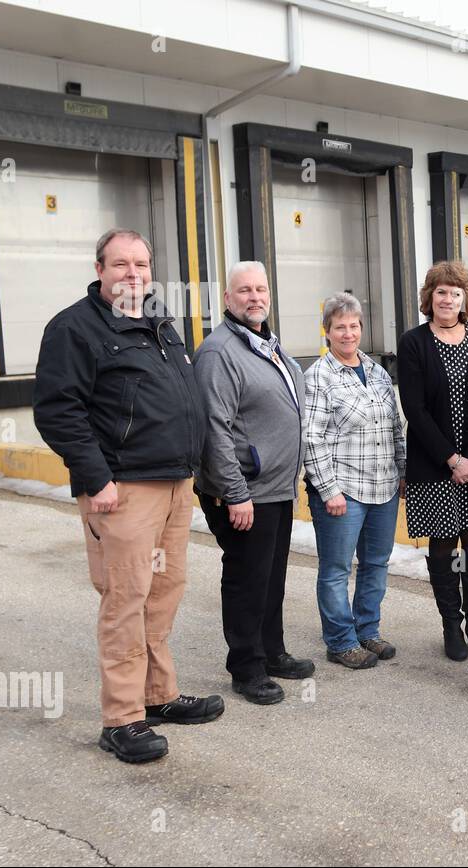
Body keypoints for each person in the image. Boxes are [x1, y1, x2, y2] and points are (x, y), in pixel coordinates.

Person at [33, 228, 223, 764]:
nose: (133, 273)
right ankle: (121, 718)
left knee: (164, 590)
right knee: (125, 599)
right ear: (100, 270)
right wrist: (98, 480)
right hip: (124, 490)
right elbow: (57, 410)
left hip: (173, 481)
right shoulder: (75, 328)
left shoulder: (161, 323)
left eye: (141, 263)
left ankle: (158, 695)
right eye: (121, 264)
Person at [193, 260, 315, 705]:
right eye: (244, 290)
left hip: (276, 489)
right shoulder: (218, 352)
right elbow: (214, 428)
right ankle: (247, 668)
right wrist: (235, 492)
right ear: (227, 299)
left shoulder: (267, 344)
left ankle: (272, 651)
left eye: (261, 289)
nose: (254, 297)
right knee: (247, 578)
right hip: (245, 491)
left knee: (271, 576)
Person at [397, 261, 468, 662]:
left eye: (455, 293)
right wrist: (451, 458)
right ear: (430, 297)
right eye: (441, 292)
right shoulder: (413, 343)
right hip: (433, 464)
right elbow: (415, 407)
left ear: (465, 299)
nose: (447, 299)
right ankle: (450, 626)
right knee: (442, 543)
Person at [303, 293, 407, 669]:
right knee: (336, 569)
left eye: (354, 326)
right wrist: (329, 490)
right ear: (327, 331)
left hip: (383, 487)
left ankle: (368, 630)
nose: (348, 333)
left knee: (376, 563)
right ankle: (341, 641)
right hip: (343, 491)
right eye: (339, 327)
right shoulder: (318, 376)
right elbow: (311, 437)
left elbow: (396, 426)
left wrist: (403, 470)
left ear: (361, 328)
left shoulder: (378, 373)